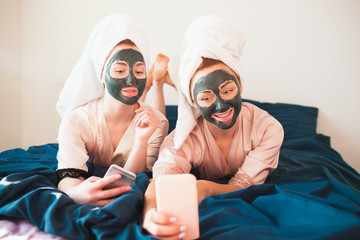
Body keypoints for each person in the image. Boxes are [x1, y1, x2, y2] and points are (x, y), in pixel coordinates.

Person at [142, 15, 284, 239]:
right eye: (206, 98)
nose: (221, 105)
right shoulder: (183, 138)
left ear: (240, 84)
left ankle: (168, 78)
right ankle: (161, 80)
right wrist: (149, 214)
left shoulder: (267, 129)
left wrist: (205, 188)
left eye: (228, 91)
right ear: (194, 102)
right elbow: (161, 183)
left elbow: (244, 186)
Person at [55, 14, 169, 206]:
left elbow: (134, 178)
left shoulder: (157, 123)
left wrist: (141, 140)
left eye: (140, 72)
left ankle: (156, 83)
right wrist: (75, 192)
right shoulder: (77, 120)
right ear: (101, 74)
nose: (131, 79)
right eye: (119, 70)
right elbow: (69, 175)